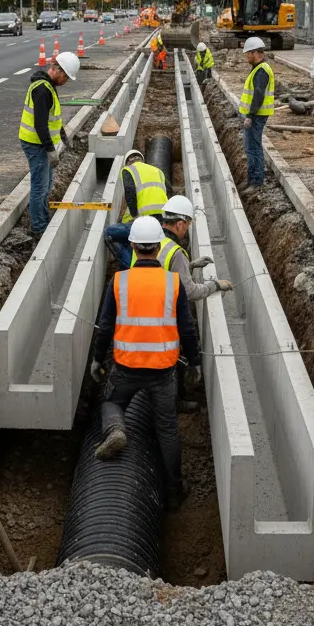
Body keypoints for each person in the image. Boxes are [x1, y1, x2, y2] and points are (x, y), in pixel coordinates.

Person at [91, 216, 201, 510]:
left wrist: (96, 359)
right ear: (157, 247)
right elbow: (187, 328)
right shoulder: (173, 283)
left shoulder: (119, 281)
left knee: (111, 404)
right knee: (167, 430)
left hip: (126, 367)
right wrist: (195, 362)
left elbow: (105, 325)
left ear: (133, 246)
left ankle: (116, 430)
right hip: (163, 372)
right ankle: (175, 491)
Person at [18, 52, 80, 240]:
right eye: (66, 77)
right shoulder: (42, 90)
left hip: (42, 144)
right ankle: (38, 228)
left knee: (46, 183)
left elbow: (51, 118)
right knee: (39, 186)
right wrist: (51, 150)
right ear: (57, 71)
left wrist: (61, 135)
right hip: (35, 144)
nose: (66, 81)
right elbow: (40, 124)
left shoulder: (49, 87)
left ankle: (43, 218)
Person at [103, 149, 168, 269]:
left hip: (144, 221)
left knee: (110, 233)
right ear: (142, 159)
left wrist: (134, 215)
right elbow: (168, 191)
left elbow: (129, 191)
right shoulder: (158, 171)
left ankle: (132, 267)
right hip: (163, 222)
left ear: (128, 162)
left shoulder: (128, 170)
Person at [238, 36, 274, 194]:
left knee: (253, 149)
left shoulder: (261, 71)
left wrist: (250, 116)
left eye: (249, 53)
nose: (247, 56)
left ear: (256, 53)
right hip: (255, 115)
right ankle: (251, 180)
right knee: (250, 148)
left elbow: (258, 96)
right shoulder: (258, 69)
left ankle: (256, 182)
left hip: (256, 116)